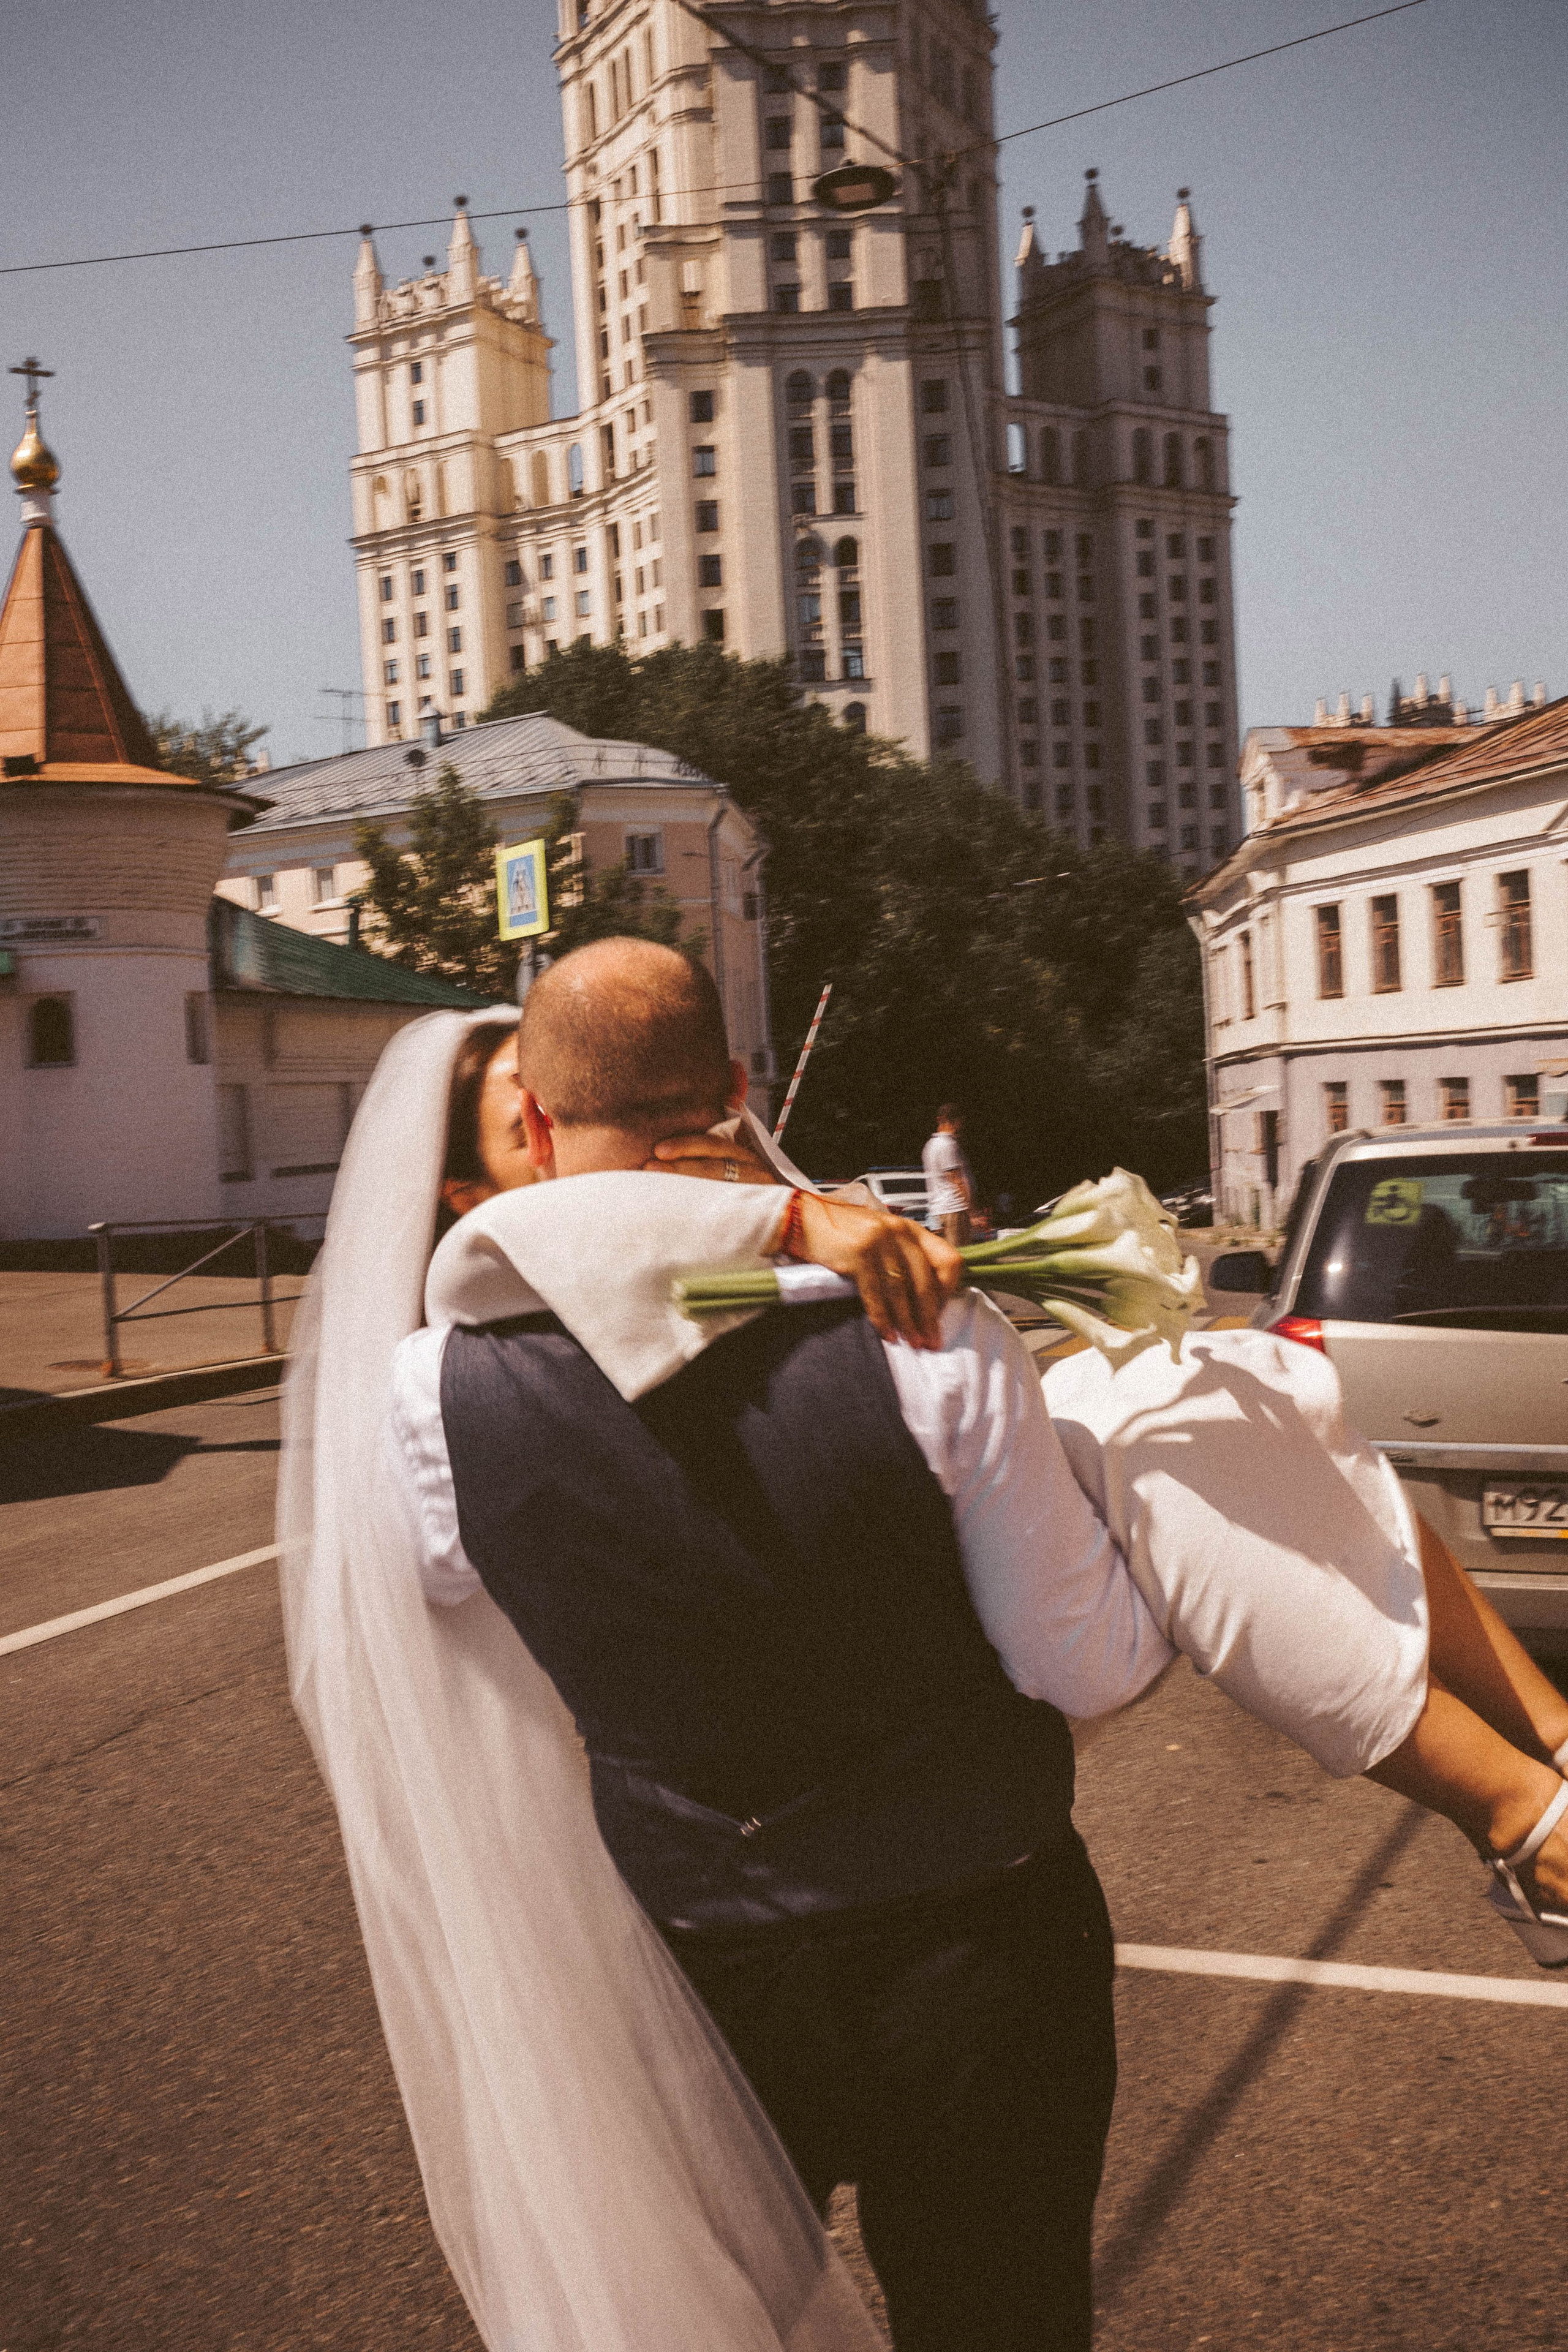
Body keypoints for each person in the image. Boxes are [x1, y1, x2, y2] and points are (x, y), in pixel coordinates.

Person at [921, 1105, 973, 1248]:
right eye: (959, 1122)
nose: (960, 1126)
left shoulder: (930, 1145)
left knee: (945, 1256)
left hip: (939, 1210)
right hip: (954, 1210)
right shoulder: (947, 1145)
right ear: (955, 1121)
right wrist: (973, 1213)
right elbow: (958, 1181)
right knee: (959, 1256)